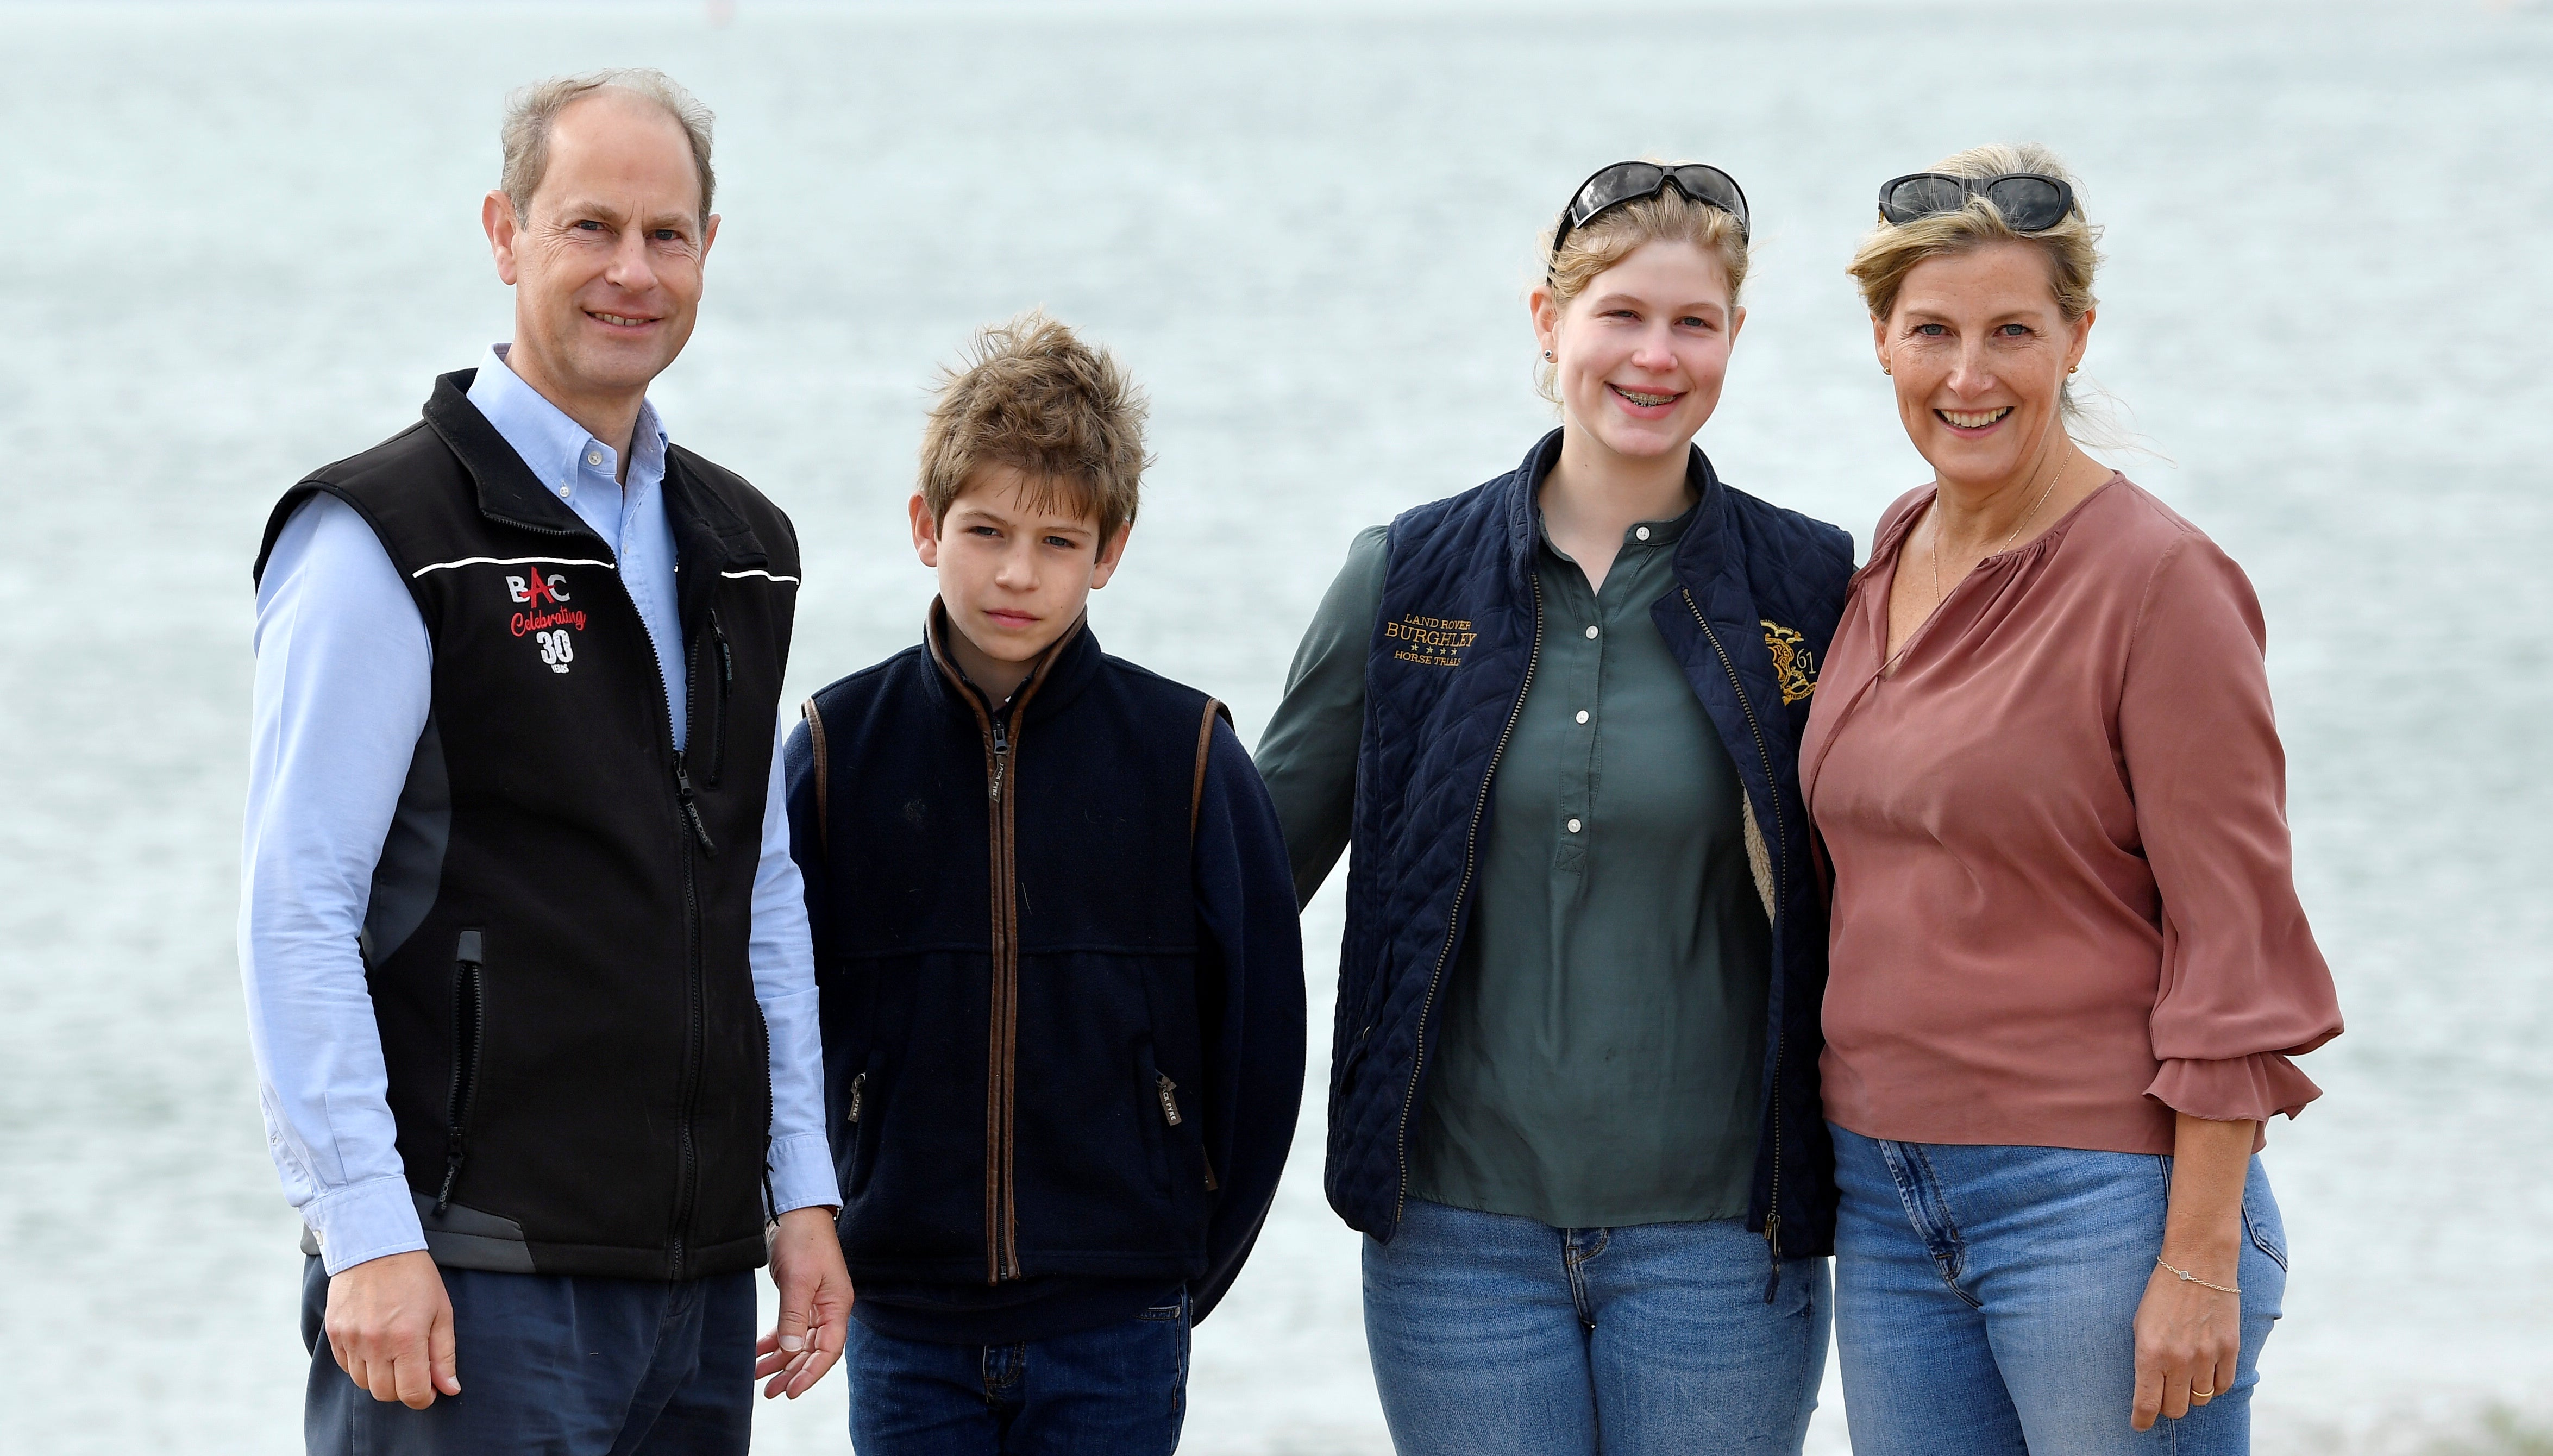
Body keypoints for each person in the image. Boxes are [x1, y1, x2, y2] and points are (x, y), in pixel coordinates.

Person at [240, 70, 851, 1453]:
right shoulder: (383, 537)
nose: (632, 272)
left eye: (667, 234)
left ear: (708, 250)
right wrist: (366, 1233)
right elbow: (296, 905)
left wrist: (798, 1192)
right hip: (466, 1279)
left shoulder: (743, 545)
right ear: (505, 234)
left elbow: (760, 899)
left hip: (694, 1290)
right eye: (590, 227)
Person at [1256, 162, 1854, 1454]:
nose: (1655, 355)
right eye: (1620, 315)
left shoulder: (1811, 585)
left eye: (1694, 322)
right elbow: (1240, 877)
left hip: (1719, 1240)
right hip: (1455, 1240)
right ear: (1548, 321)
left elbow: (1912, 864)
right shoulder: (1407, 575)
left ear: (1735, 339)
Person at [1798, 143, 2347, 1454]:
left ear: (2076, 337)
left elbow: (2235, 933)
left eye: (2011, 332)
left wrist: (2200, 1258)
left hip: (2097, 1203)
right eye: (1931, 331)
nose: (1967, 375)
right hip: (1880, 1196)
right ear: (1881, 340)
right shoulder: (1889, 545)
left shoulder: (2160, 583)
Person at [784, 312, 1306, 1455]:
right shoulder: (833, 752)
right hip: (907, 1314)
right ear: (925, 527)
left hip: (1115, 1315)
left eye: (1059, 541)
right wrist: (814, 1211)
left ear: (1110, 550)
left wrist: (1176, 1254)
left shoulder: (1189, 756)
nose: (1017, 572)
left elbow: (1262, 1033)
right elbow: (767, 1012)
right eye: (984, 529)